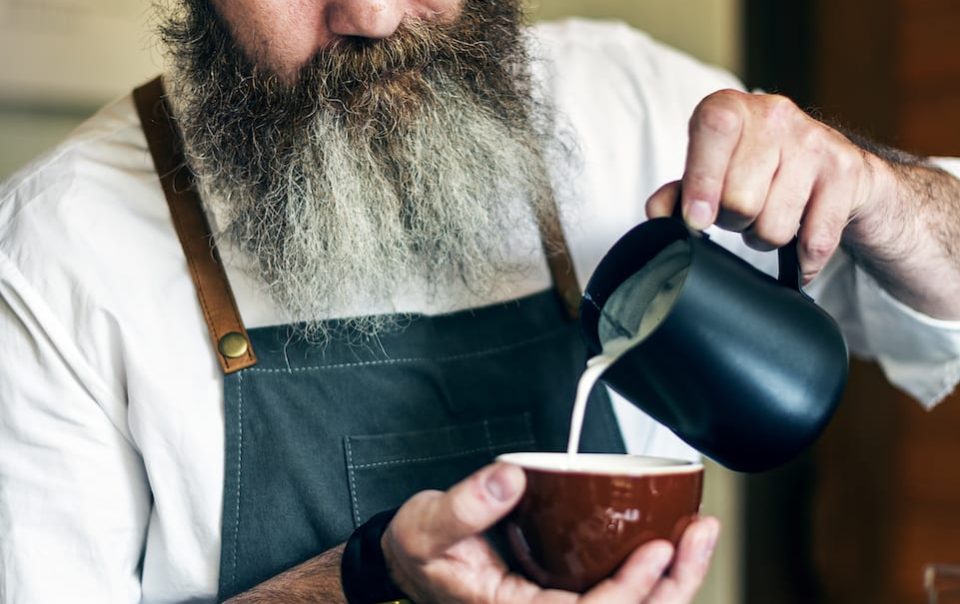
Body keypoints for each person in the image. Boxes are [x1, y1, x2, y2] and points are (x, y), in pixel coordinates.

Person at [1, 0, 959, 602]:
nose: (370, 15)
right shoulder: (55, 253)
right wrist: (367, 583)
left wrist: (875, 190)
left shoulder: (628, 102)